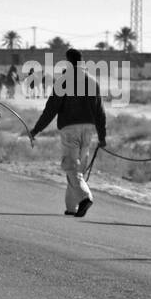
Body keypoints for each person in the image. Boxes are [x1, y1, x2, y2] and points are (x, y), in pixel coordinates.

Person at [28, 48, 107, 217]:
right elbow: (100, 111)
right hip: (89, 129)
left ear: (68, 61)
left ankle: (85, 198)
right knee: (77, 169)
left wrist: (36, 130)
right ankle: (72, 208)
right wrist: (102, 136)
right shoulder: (93, 81)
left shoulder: (64, 80)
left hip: (70, 129)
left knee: (71, 167)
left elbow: (51, 109)